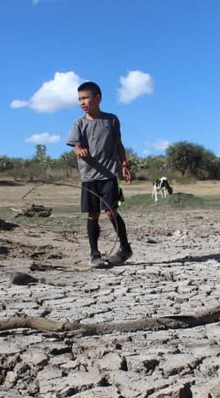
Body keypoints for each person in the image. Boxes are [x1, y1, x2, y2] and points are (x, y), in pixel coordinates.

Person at [67, 81, 133, 268]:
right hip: (89, 177)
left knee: (111, 212)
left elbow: (118, 144)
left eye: (86, 97)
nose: (82, 102)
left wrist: (124, 163)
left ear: (98, 98)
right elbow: (76, 144)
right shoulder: (79, 123)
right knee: (92, 215)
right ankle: (94, 254)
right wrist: (79, 151)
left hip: (110, 175)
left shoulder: (111, 120)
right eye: (79, 99)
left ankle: (125, 248)